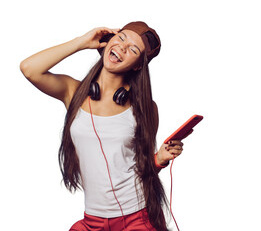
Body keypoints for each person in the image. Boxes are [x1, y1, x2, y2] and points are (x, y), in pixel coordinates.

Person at [20, 21, 186, 231]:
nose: (122, 48)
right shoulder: (73, 92)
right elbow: (29, 69)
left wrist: (159, 159)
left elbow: (141, 168)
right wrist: (81, 42)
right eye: (121, 38)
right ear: (109, 40)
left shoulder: (145, 109)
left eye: (133, 49)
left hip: (137, 218)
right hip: (93, 220)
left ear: (137, 65)